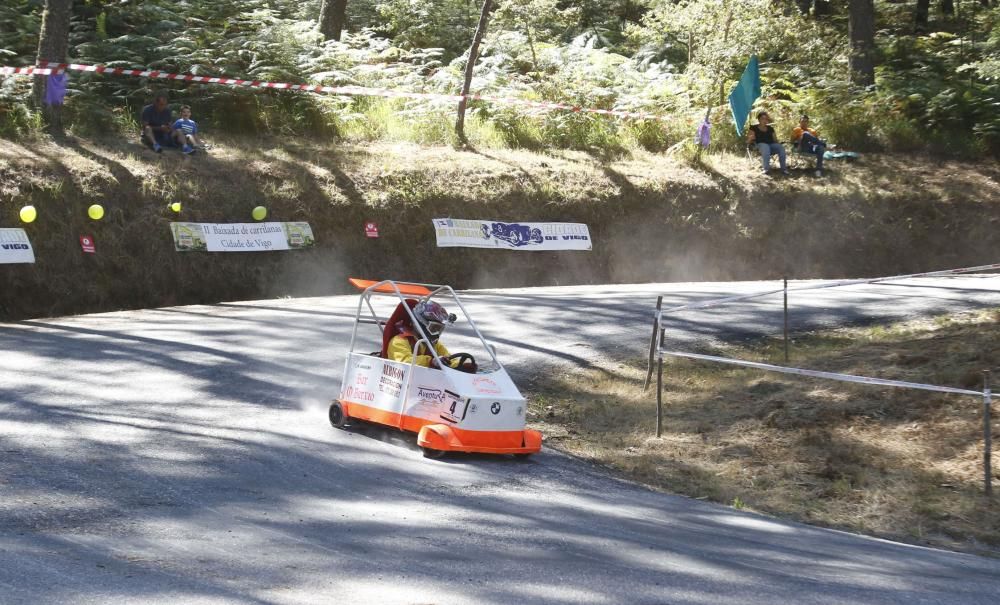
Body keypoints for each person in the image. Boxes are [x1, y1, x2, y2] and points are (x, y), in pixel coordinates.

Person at [387, 301, 461, 369]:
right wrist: (430, 361)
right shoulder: (399, 341)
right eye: (434, 328)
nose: (437, 333)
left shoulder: (434, 344)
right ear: (420, 323)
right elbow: (404, 362)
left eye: (440, 329)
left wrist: (461, 365)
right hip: (401, 379)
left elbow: (449, 359)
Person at [747, 111, 788, 175]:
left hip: (770, 146)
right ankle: (766, 169)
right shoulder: (753, 127)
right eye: (762, 118)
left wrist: (779, 144)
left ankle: (784, 169)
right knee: (765, 146)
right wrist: (750, 139)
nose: (764, 120)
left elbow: (775, 140)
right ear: (759, 119)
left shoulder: (770, 128)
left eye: (766, 118)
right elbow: (749, 140)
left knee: (780, 147)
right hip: (758, 145)